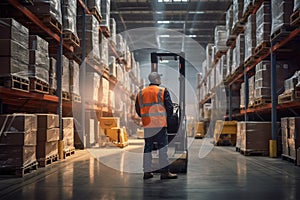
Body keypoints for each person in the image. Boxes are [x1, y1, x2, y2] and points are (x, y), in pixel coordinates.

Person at [135, 72, 178, 180]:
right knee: (162, 148)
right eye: (159, 78)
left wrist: (145, 117)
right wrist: (166, 119)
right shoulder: (162, 91)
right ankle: (165, 172)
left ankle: (147, 172)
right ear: (157, 80)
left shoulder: (141, 93)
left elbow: (138, 108)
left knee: (148, 148)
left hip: (147, 124)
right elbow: (169, 107)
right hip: (160, 124)